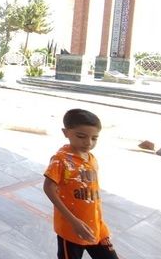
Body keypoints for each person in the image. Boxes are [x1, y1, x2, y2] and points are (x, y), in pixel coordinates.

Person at [43, 109, 119, 259]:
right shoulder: (61, 160)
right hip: (71, 229)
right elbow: (48, 188)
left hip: (96, 226)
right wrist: (74, 222)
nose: (88, 143)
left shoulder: (91, 158)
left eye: (94, 138)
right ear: (66, 133)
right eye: (81, 136)